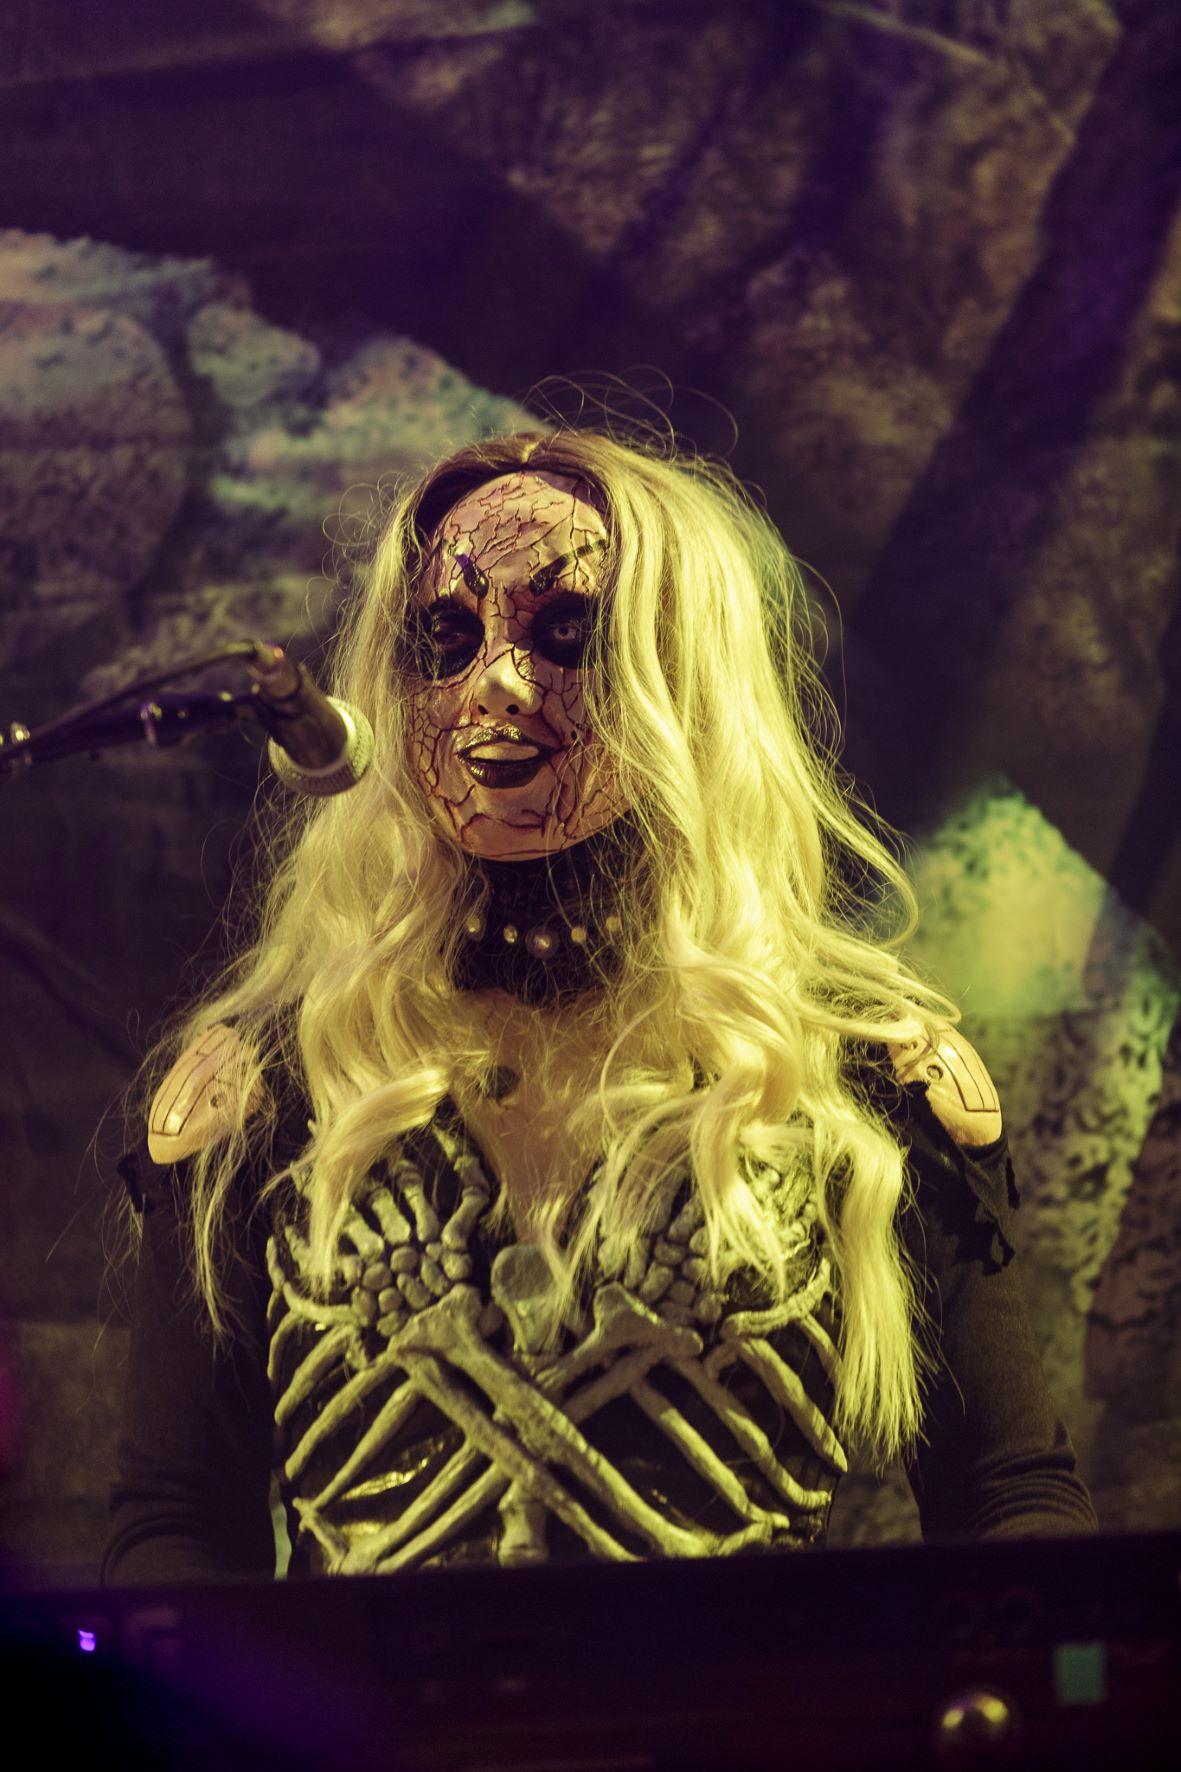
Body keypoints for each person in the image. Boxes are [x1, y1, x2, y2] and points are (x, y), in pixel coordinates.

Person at [101, 427, 1098, 1584]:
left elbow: (1008, 1493)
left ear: (683, 674)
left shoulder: (858, 1066)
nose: (494, 681)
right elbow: (175, 1524)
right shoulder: (270, 1082)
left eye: (565, 632)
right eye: (447, 637)